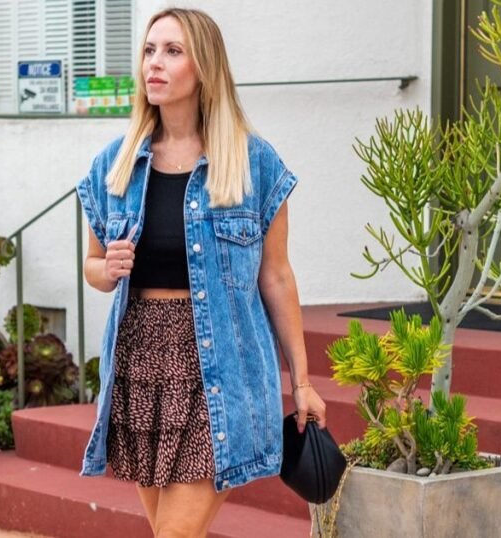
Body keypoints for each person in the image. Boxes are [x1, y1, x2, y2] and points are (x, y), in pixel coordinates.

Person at [75, 7, 327, 537]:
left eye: (172, 51)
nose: (155, 65)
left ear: (204, 67)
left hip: (220, 368)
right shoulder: (114, 166)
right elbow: (94, 268)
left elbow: (276, 277)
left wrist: (301, 382)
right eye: (149, 50)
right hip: (140, 365)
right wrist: (107, 269)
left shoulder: (253, 164)